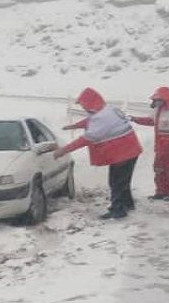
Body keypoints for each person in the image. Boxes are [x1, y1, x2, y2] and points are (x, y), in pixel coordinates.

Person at [55, 87, 143, 219]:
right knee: (122, 180)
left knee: (116, 182)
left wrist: (63, 150)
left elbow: (86, 139)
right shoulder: (107, 110)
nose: (83, 108)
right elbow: (90, 121)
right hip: (128, 151)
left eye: (84, 105)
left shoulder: (102, 118)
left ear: (91, 102)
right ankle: (127, 203)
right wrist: (74, 126)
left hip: (123, 152)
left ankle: (118, 210)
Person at [130, 86, 169, 201]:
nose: (156, 102)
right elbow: (151, 121)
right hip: (161, 146)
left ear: (166, 99)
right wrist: (135, 119)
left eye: (159, 99)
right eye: (155, 100)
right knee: (159, 169)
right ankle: (161, 191)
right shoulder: (157, 110)